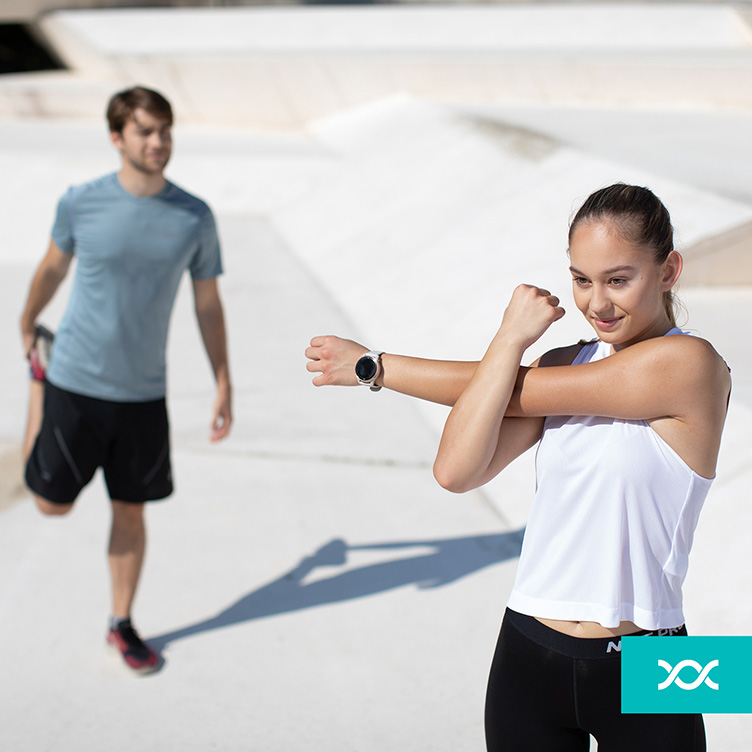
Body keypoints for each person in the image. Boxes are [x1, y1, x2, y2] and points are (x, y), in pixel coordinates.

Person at [305, 183, 730, 750]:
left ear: (669, 269)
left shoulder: (693, 364)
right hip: (529, 646)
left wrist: (373, 366)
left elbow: (507, 393)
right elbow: (455, 472)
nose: (597, 304)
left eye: (618, 279)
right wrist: (509, 338)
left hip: (658, 654)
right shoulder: (559, 362)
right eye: (581, 279)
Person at [20, 86, 232, 674]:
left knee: (131, 510)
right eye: (144, 131)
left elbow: (207, 304)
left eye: (165, 130)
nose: (158, 142)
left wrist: (223, 379)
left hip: (143, 394)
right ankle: (37, 381)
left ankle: (122, 622)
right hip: (73, 381)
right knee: (49, 505)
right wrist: (25, 320)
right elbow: (52, 265)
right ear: (117, 137)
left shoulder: (194, 216)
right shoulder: (81, 202)